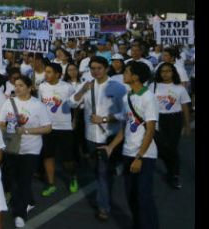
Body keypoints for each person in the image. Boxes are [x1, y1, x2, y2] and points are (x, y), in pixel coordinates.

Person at [101, 61, 159, 229]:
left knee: (143, 198)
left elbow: (150, 130)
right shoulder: (128, 97)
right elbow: (126, 126)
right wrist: (111, 146)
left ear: (135, 76)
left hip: (144, 155)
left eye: (126, 72)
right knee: (131, 197)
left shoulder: (148, 97)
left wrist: (139, 157)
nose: (123, 75)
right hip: (128, 153)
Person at [70, 56, 127, 221]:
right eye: (92, 68)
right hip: (90, 137)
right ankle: (109, 179)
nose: (95, 71)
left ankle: (103, 206)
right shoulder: (87, 85)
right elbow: (72, 103)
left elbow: (125, 114)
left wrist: (104, 119)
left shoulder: (118, 88)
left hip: (108, 136)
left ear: (106, 68)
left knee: (103, 172)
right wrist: (82, 91)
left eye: (99, 68)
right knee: (98, 170)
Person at [0, 76, 53, 228]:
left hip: (31, 149)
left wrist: (27, 130)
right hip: (12, 147)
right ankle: (29, 202)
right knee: (15, 180)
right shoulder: (8, 103)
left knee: (23, 181)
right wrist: (8, 129)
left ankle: (19, 214)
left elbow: (47, 127)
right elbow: (1, 122)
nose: (17, 88)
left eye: (21, 85)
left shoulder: (38, 105)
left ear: (30, 88)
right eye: (16, 85)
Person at [37, 62, 78, 196]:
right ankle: (50, 184)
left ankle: (72, 177)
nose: (46, 74)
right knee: (48, 156)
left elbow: (75, 105)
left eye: (49, 72)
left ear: (58, 74)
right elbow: (39, 105)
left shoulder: (68, 88)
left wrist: (74, 121)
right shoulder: (42, 87)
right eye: (46, 72)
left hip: (64, 127)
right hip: (47, 128)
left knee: (67, 160)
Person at [150, 61, 191, 189]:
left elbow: (185, 108)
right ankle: (170, 168)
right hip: (157, 119)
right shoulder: (153, 86)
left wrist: (187, 125)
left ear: (173, 73)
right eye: (163, 71)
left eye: (168, 71)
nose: (165, 74)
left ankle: (174, 175)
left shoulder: (179, 88)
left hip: (174, 120)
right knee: (161, 148)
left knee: (172, 147)